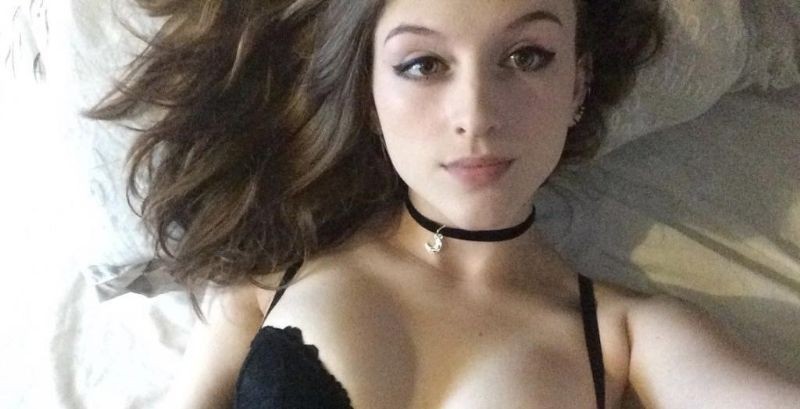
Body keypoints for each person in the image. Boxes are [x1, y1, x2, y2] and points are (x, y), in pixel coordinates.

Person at [88, 0, 800, 407]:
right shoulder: (266, 278)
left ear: (578, 86)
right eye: (423, 64)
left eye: (527, 56)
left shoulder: (632, 336)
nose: (477, 114)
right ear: (368, 93)